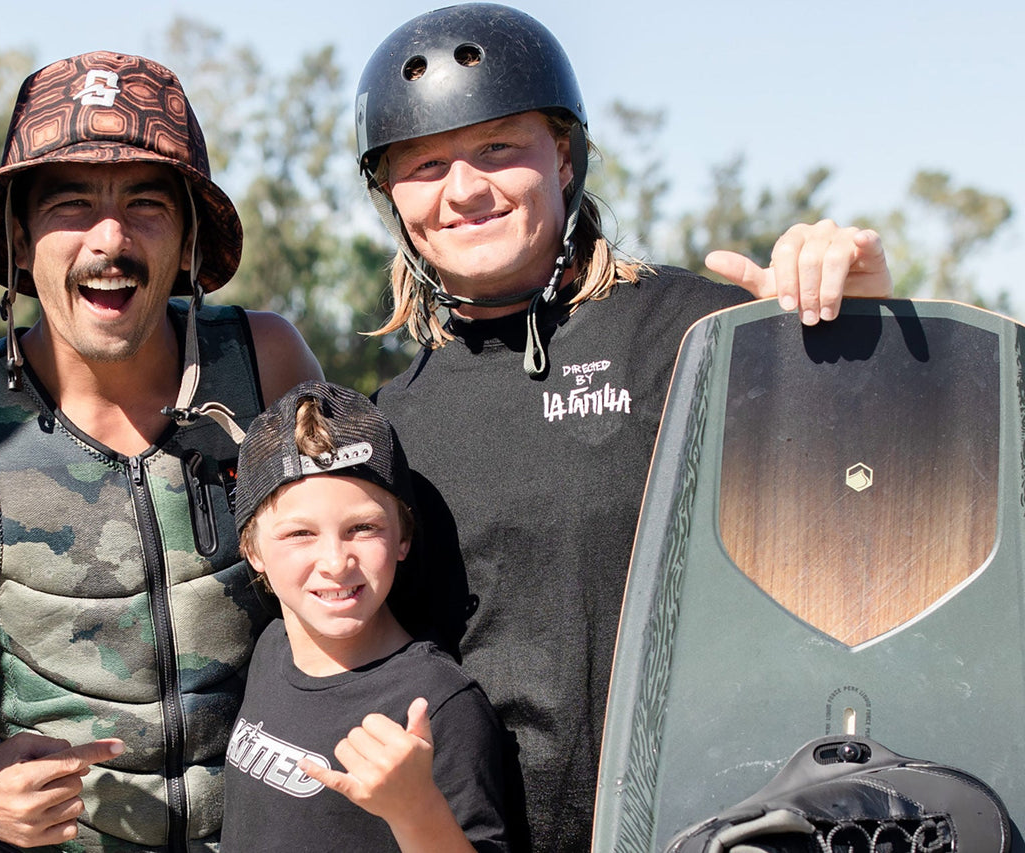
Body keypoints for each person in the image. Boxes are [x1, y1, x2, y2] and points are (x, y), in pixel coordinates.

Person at [351, 4, 895, 851]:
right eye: (425, 165)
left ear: (563, 155)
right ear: (391, 196)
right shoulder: (392, 423)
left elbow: (875, 491)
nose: (464, 189)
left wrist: (856, 319)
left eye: (499, 147)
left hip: (722, 828)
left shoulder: (697, 332)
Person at [0, 51, 322, 851]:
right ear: (20, 236)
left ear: (189, 235)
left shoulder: (270, 372)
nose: (109, 239)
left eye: (148, 203)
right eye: (72, 204)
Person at [221, 380, 508, 852]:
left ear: (403, 537)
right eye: (299, 533)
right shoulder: (270, 647)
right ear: (251, 548)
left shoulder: (438, 705)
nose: (335, 561)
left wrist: (416, 811)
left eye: (362, 528)